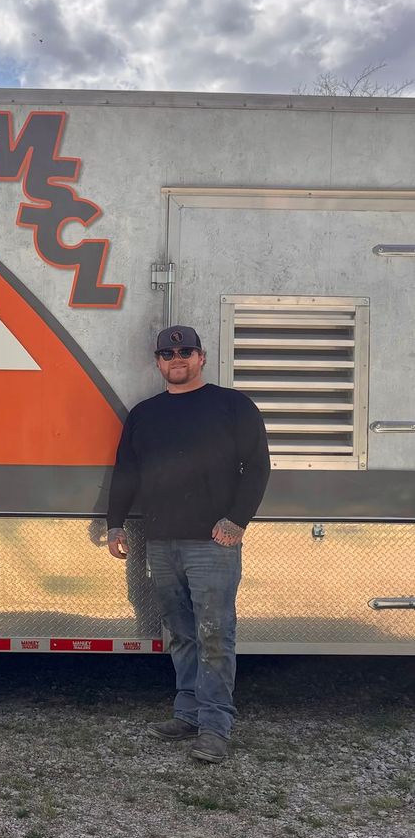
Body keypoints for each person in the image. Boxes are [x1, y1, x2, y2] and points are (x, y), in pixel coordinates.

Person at [106, 325, 270, 764]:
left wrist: (236, 522)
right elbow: (126, 472)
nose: (176, 358)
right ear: (157, 362)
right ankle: (188, 713)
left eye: (185, 351)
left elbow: (256, 468)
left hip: (212, 544)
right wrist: (115, 524)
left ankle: (215, 727)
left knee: (214, 635)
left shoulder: (232, 406)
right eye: (167, 353)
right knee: (180, 634)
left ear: (201, 357)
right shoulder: (144, 414)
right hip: (162, 542)